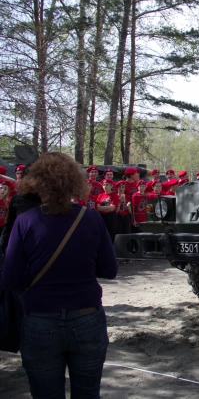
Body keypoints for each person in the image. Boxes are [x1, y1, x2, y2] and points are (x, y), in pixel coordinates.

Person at [1, 152, 117, 399]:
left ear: (36, 183)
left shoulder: (25, 221)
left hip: (40, 320)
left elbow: (10, 279)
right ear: (74, 182)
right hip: (87, 317)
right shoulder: (92, 218)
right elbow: (109, 270)